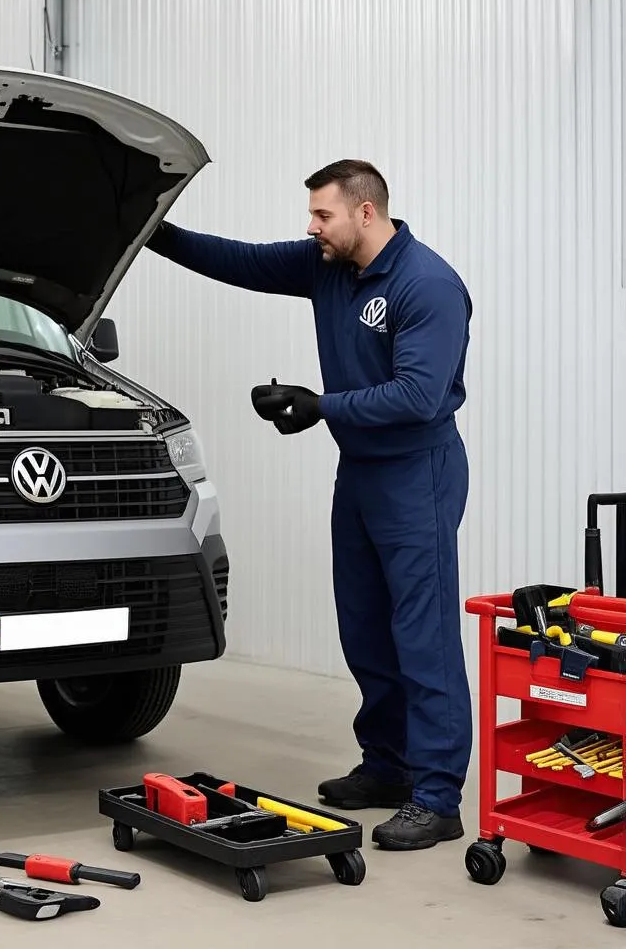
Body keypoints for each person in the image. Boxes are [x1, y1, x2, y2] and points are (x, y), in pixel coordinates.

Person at [145, 159, 473, 851]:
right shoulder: (328, 266)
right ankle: (387, 766)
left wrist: (321, 405)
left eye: (322, 215)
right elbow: (239, 260)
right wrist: (153, 233)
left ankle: (438, 796)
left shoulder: (428, 285)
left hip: (419, 473)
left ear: (365, 212)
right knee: (365, 628)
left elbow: (417, 396)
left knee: (424, 635)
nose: (311, 228)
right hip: (361, 472)